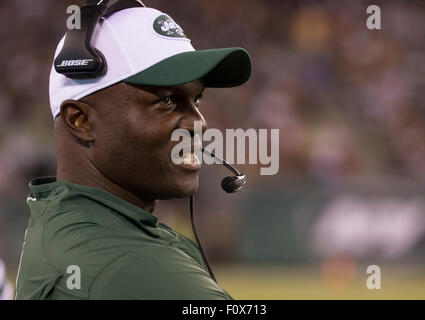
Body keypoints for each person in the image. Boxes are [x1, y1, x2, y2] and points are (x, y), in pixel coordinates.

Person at [14, 2, 251, 299]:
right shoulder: (130, 266)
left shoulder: (60, 220)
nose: (199, 123)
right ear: (81, 120)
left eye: (197, 101)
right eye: (167, 101)